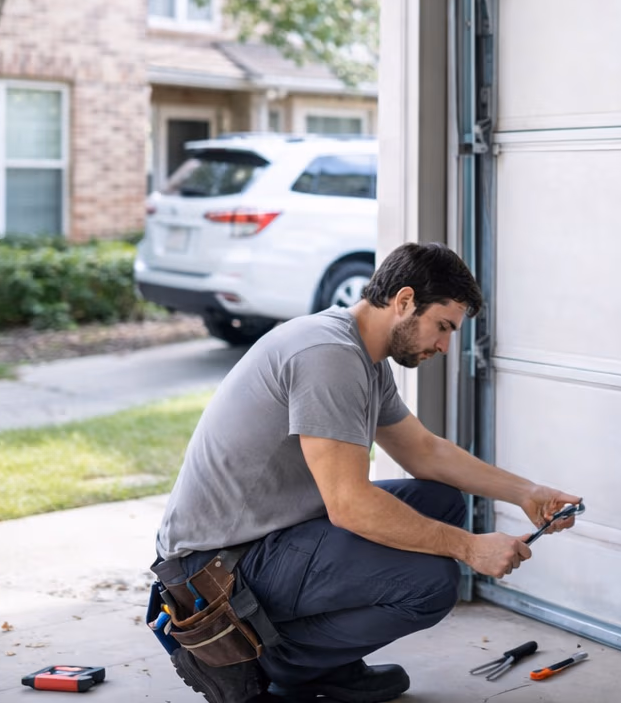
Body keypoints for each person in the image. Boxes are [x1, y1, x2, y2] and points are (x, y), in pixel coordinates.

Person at [153, 241, 582, 703]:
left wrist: (527, 492)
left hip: (260, 542)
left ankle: (320, 659)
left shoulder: (360, 357)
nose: (444, 345)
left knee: (440, 503)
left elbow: (424, 452)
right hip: (214, 570)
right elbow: (350, 505)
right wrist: (470, 547)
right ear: (404, 301)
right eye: (442, 326)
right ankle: (268, 660)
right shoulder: (328, 355)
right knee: (432, 584)